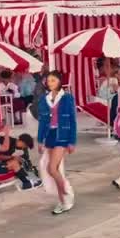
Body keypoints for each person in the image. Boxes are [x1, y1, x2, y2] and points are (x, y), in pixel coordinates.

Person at [35, 70, 78, 214]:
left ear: (59, 81)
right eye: (48, 81)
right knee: (55, 170)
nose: (50, 83)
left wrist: (72, 141)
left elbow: (72, 120)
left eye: (53, 80)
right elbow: (42, 122)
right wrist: (40, 140)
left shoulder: (67, 98)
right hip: (50, 135)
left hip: (63, 135)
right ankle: (63, 200)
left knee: (51, 168)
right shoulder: (44, 100)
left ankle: (66, 192)